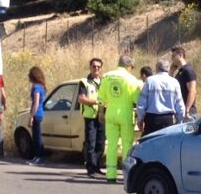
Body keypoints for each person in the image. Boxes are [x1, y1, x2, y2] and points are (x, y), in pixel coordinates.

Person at [97, 54, 143, 183]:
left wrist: (101, 112)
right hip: (125, 113)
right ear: (128, 65)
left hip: (110, 112)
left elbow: (101, 98)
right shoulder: (131, 79)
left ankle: (110, 175)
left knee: (112, 145)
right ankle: (126, 175)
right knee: (126, 145)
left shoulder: (106, 76)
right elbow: (136, 99)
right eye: (131, 67)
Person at [136, 59, 185, 137]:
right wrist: (179, 121)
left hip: (151, 120)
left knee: (149, 144)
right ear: (168, 69)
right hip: (168, 120)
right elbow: (180, 105)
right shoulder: (174, 82)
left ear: (157, 68)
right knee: (166, 145)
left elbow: (141, 103)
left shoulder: (150, 81)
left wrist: (140, 119)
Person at [78, 58, 104, 178]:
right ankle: (91, 169)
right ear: (90, 67)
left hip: (102, 116)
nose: (96, 69)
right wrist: (96, 102)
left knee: (101, 143)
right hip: (90, 117)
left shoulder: (104, 82)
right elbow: (81, 98)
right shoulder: (84, 82)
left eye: (98, 67)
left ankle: (97, 167)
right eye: (94, 66)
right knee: (91, 144)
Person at [170, 46, 198, 120]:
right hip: (180, 111)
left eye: (173, 56)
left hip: (188, 112)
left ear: (180, 55)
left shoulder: (188, 70)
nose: (172, 59)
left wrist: (187, 110)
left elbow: (192, 91)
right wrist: (171, 72)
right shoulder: (180, 72)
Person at [26, 66, 46, 166]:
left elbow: (36, 103)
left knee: (36, 137)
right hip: (40, 113)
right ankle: (37, 157)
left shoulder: (36, 87)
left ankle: (39, 157)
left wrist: (31, 117)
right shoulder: (42, 86)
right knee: (37, 136)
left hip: (37, 113)